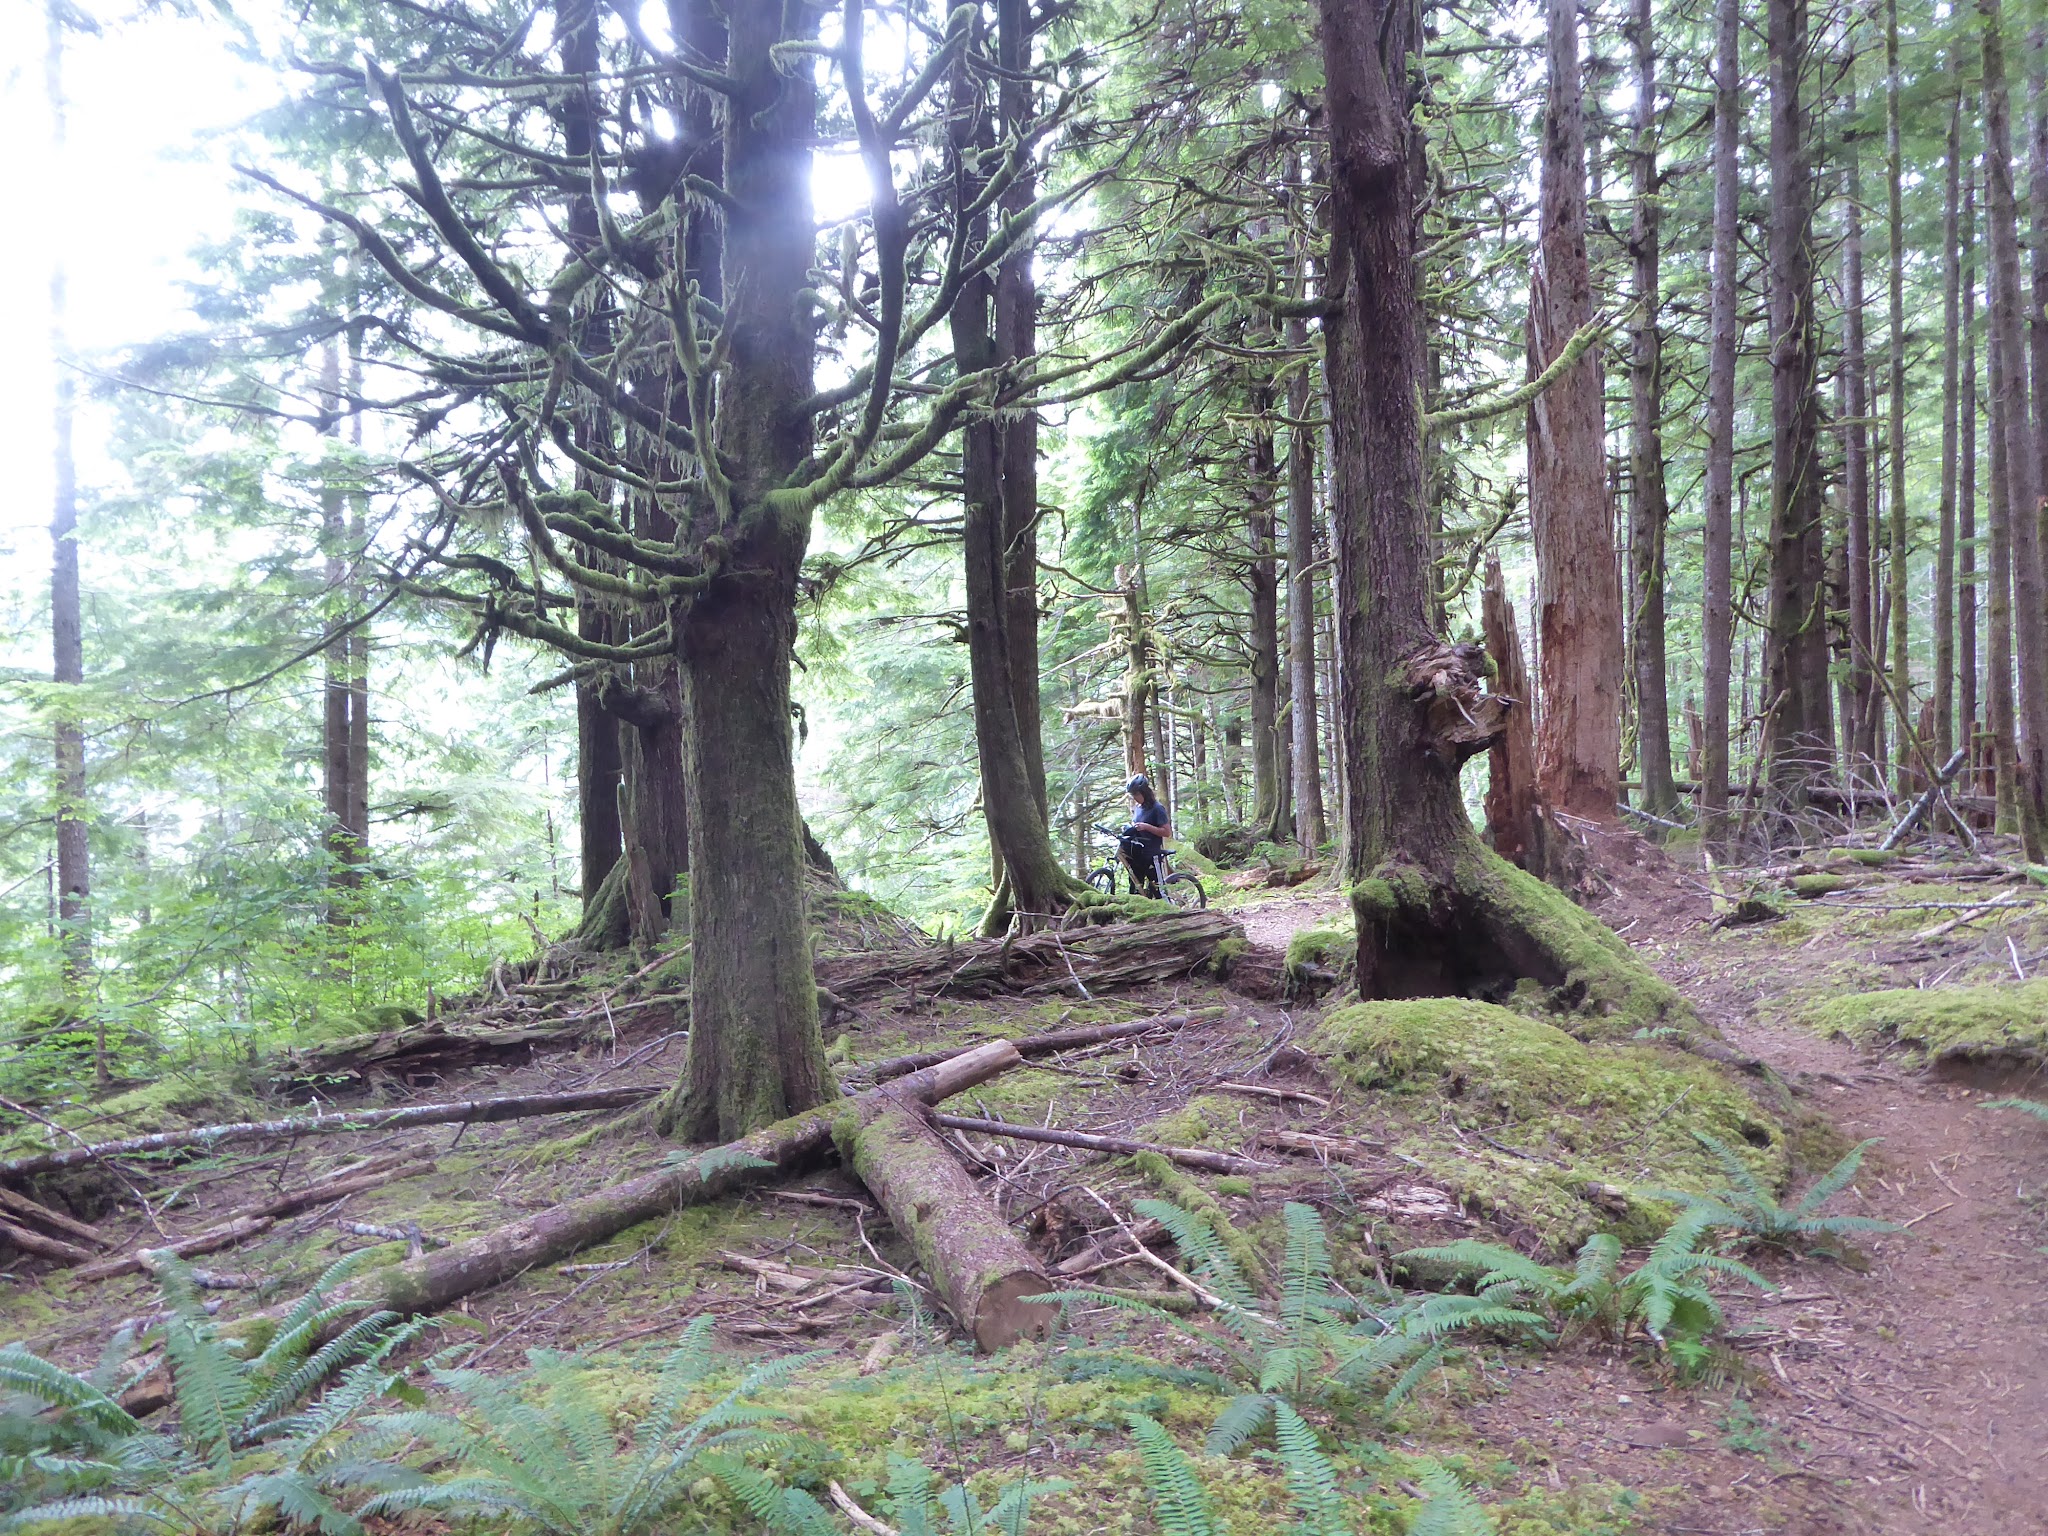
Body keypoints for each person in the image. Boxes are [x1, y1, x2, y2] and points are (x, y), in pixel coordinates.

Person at [1120, 773, 1172, 897]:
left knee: (1159, 891)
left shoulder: (1157, 808)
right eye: (1133, 795)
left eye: (1136, 794)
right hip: (1137, 854)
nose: (1135, 798)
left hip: (1151, 855)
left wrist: (1146, 827)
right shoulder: (1138, 808)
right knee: (1135, 890)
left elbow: (1167, 832)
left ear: (1144, 792)